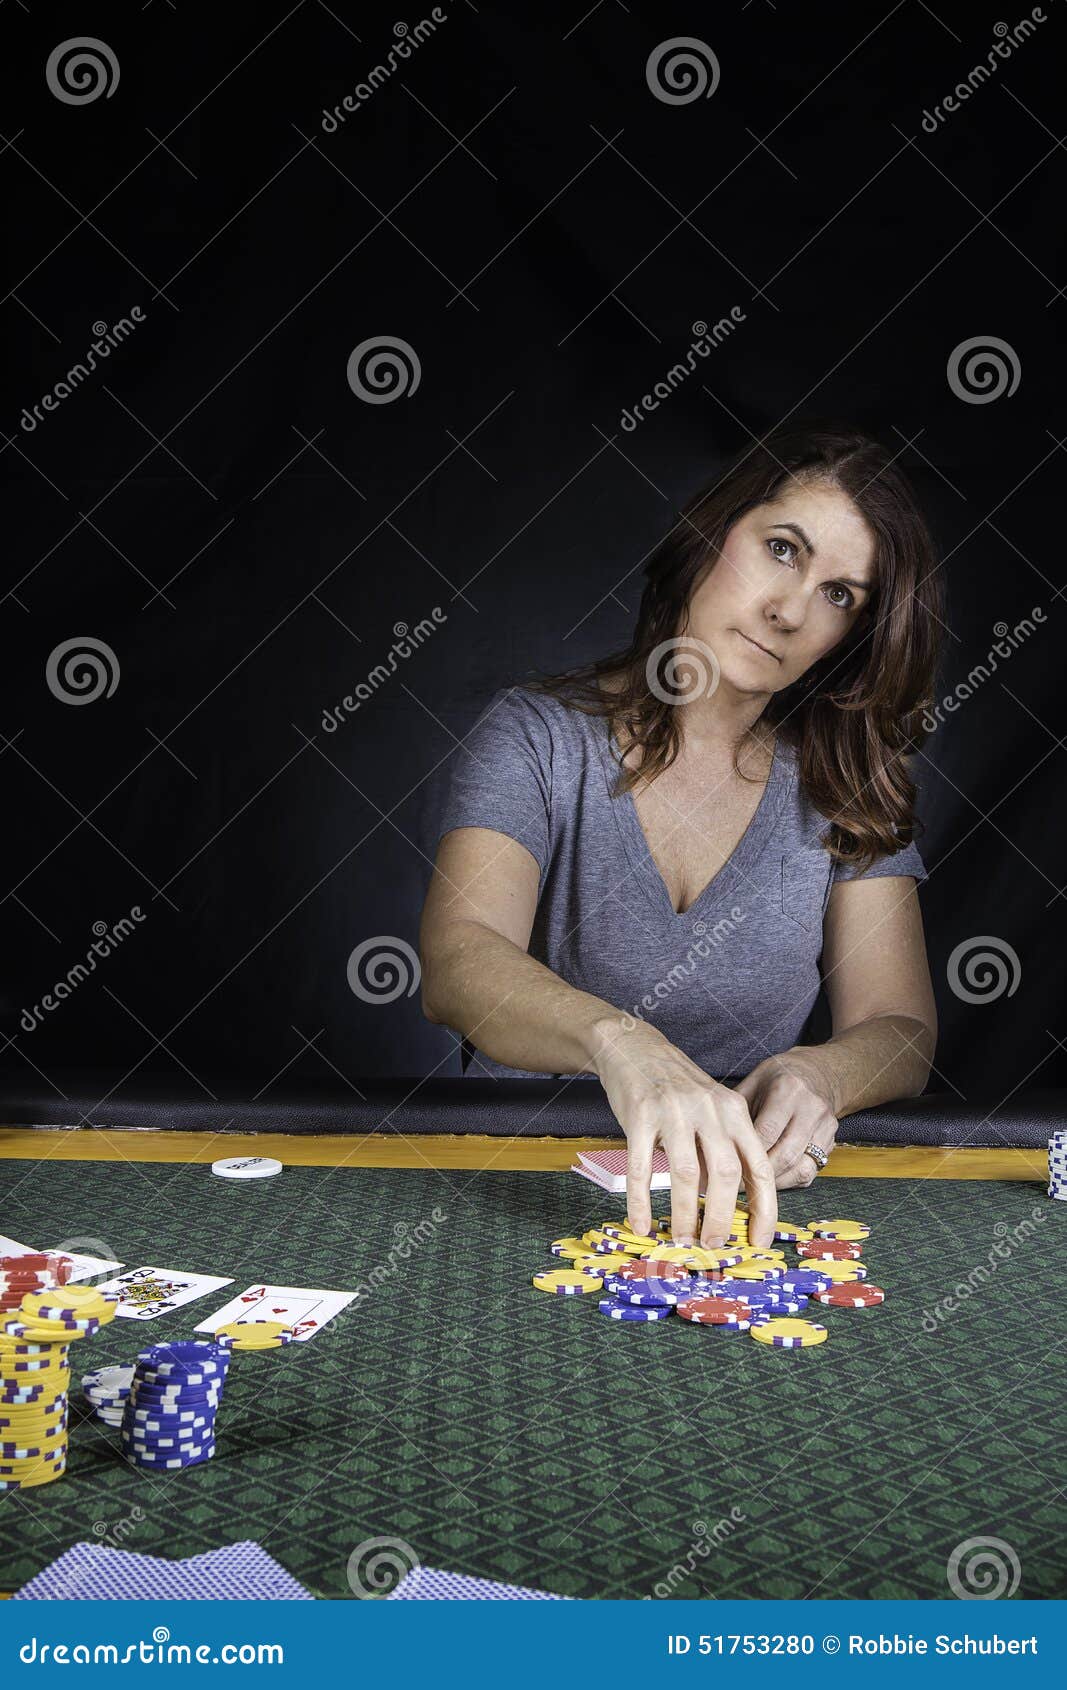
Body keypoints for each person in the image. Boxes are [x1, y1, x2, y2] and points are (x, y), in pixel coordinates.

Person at [419, 423, 941, 1251]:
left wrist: (822, 1076)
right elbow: (456, 963)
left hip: (739, 1206)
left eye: (841, 595)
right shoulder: (534, 735)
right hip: (506, 1181)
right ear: (712, 531)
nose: (788, 609)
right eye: (780, 548)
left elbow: (899, 1028)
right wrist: (623, 1044)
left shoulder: (843, 784)